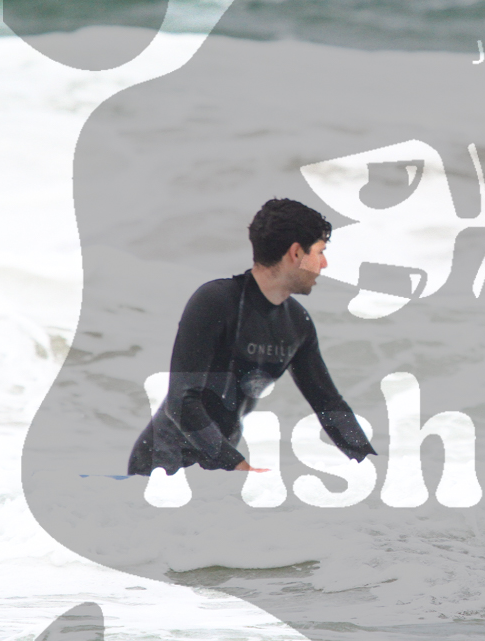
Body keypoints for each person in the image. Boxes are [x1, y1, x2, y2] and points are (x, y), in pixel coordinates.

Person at [128, 198, 376, 476]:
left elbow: (328, 405)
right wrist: (237, 466)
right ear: (296, 253)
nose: (325, 264)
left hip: (215, 476)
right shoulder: (215, 302)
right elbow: (181, 402)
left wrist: (371, 464)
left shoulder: (297, 324)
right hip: (157, 471)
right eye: (320, 252)